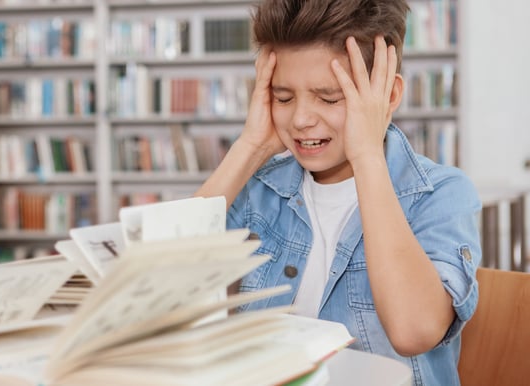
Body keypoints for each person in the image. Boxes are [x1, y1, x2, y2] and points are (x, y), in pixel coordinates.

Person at [195, 0, 482, 384]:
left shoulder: (440, 194)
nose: (300, 119)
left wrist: (366, 154)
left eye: (329, 98)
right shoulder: (260, 191)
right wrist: (251, 146)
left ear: (388, 96)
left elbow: (414, 330)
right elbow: (156, 289)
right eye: (283, 98)